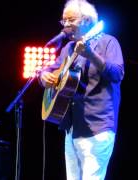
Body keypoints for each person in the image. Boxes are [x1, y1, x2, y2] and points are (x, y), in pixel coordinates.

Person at [39, 0, 124, 179]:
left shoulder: (108, 42)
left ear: (86, 21)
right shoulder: (68, 49)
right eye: (64, 21)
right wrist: (44, 76)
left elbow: (117, 74)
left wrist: (91, 55)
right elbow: (51, 69)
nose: (66, 25)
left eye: (71, 20)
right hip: (72, 128)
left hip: (98, 126)